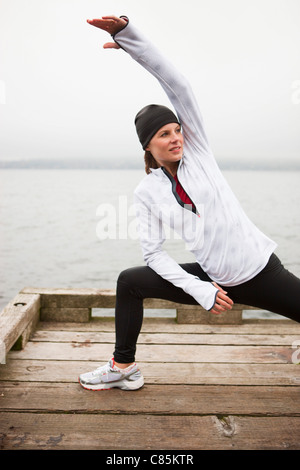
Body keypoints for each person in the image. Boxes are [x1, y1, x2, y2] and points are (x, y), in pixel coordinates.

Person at [79, 15, 300, 391]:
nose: (176, 137)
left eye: (177, 129)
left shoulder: (199, 154)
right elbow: (154, 254)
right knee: (129, 281)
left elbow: (177, 85)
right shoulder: (147, 191)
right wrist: (202, 289)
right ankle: (123, 366)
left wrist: (130, 40)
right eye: (164, 134)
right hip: (213, 281)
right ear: (148, 146)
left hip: (260, 271)